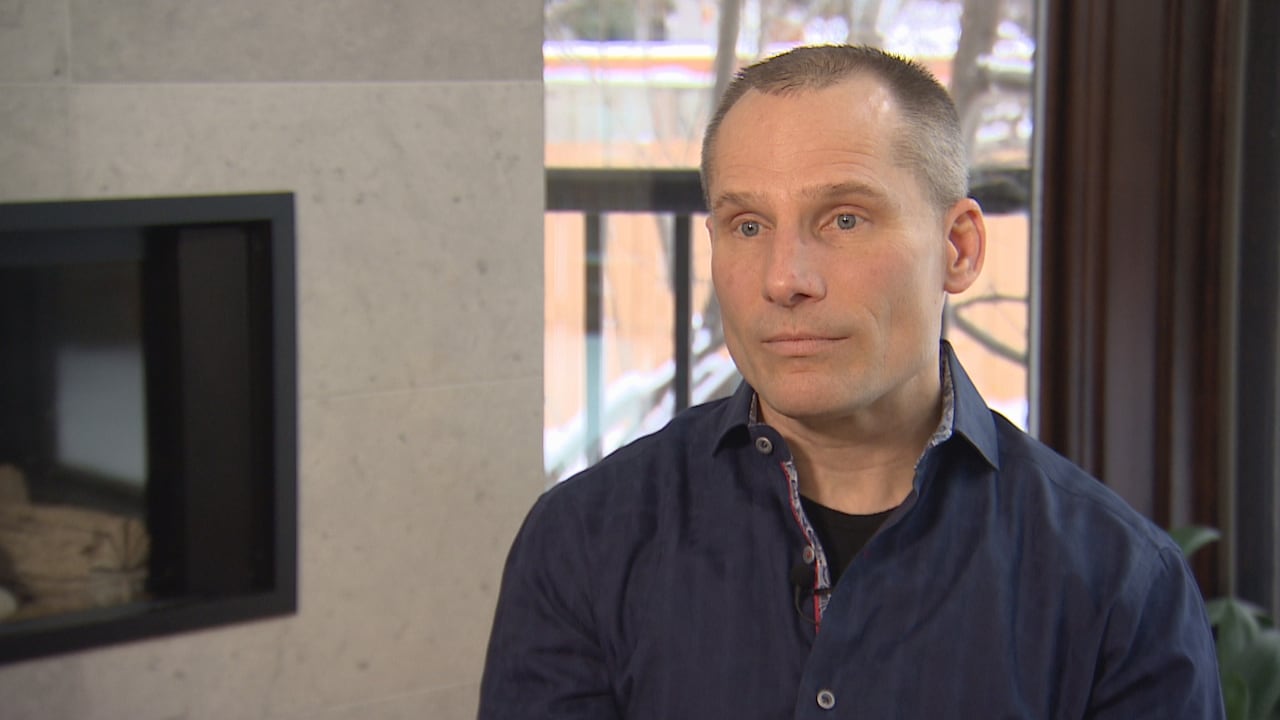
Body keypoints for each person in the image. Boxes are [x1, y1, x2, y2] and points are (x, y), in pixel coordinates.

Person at [479, 45, 1224, 719]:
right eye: (747, 226)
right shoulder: (584, 541)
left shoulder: (1121, 585)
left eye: (843, 219)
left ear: (958, 248)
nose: (784, 279)